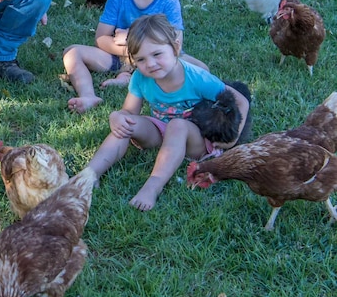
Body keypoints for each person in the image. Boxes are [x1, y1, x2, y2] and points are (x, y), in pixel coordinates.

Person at [85, 14, 249, 211]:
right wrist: (117, 116)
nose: (150, 64)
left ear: (176, 47)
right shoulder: (140, 78)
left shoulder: (197, 78)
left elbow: (241, 100)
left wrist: (232, 140)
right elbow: (129, 111)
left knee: (177, 125)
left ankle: (153, 185)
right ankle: (90, 174)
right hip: (161, 132)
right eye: (141, 59)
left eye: (157, 54)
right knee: (127, 125)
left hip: (195, 138)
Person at [62, 0, 208, 113]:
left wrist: (132, 41)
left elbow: (175, 45)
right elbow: (101, 38)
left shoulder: (169, 1)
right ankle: (88, 95)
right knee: (72, 52)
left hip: (158, 58)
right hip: (119, 55)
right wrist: (131, 52)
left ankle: (130, 77)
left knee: (201, 69)